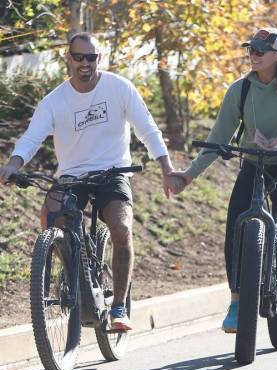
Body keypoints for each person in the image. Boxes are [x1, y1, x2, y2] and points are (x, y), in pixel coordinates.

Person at [0, 32, 179, 332]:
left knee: (121, 229)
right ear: (68, 58)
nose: (85, 63)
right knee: (50, 217)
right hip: (72, 175)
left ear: (100, 58)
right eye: (79, 57)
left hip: (113, 172)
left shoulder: (119, 88)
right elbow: (31, 139)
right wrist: (12, 165)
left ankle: (119, 306)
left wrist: (166, 168)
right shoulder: (54, 101)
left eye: (91, 57)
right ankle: (71, 275)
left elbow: (147, 130)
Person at [168, 28, 277, 333]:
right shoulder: (240, 90)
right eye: (250, 50)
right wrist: (188, 176)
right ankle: (237, 301)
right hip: (255, 163)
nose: (252, 55)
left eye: (259, 50)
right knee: (235, 225)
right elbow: (218, 138)